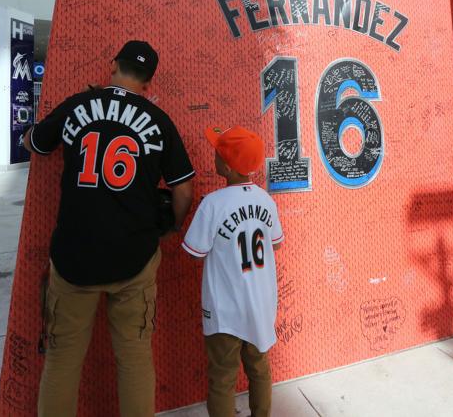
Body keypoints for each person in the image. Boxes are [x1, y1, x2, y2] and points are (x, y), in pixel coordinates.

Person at [24, 40, 195, 417]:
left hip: (73, 259)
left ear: (113, 64)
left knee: (62, 360)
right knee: (134, 358)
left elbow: (35, 142)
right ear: (149, 82)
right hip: (134, 256)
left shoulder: (78, 105)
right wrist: (170, 225)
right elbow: (183, 188)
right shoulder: (159, 120)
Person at [182, 126, 284, 417]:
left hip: (225, 309)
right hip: (261, 304)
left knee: (222, 379)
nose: (213, 155)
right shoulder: (266, 199)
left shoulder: (213, 203)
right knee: (259, 369)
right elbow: (275, 244)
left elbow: (193, 251)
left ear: (225, 167)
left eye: (217, 152)